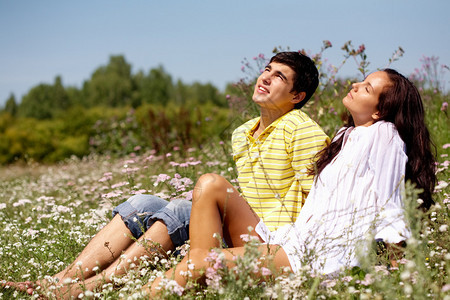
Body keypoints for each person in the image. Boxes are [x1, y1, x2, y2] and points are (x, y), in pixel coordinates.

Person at [1, 52, 329, 298]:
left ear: (297, 96)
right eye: (267, 70)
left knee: (181, 210)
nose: (266, 77)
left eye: (279, 77)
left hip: (274, 240)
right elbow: (253, 192)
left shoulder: (303, 130)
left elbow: (317, 198)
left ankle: (91, 289)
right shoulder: (243, 132)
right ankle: (63, 279)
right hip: (242, 224)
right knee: (145, 201)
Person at [146, 68, 436, 296]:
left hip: (324, 256)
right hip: (294, 241)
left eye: (367, 88)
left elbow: (390, 202)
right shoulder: (343, 137)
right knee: (210, 185)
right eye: (360, 81)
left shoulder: (385, 135)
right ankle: (199, 281)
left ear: (379, 111)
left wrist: (398, 269)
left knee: (200, 262)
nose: (355, 86)